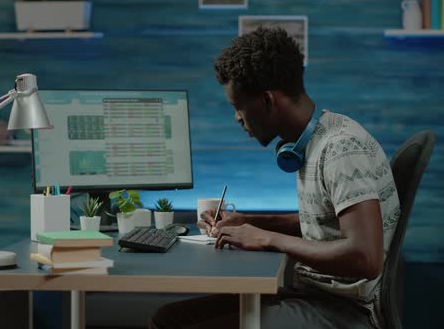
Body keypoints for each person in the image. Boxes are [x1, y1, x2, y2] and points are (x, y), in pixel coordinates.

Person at [149, 27, 400, 329]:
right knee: (168, 319)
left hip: (345, 311)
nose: (237, 118)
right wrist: (252, 223)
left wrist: (268, 239)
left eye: (238, 106)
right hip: (312, 294)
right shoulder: (317, 140)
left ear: (267, 100)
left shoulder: (341, 150)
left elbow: (365, 257)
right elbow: (326, 223)